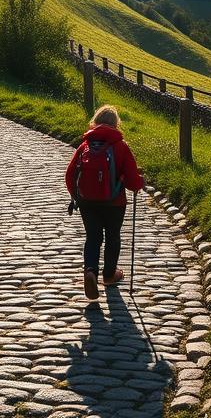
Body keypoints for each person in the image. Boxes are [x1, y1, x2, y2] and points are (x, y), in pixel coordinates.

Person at [65, 105, 144, 300]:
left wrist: (77, 195)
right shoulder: (121, 146)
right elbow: (133, 183)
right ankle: (109, 275)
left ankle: (90, 271)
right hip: (114, 202)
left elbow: (70, 174)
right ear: (116, 124)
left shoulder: (85, 146)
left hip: (87, 202)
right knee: (112, 237)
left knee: (92, 237)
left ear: (95, 121)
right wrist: (140, 182)